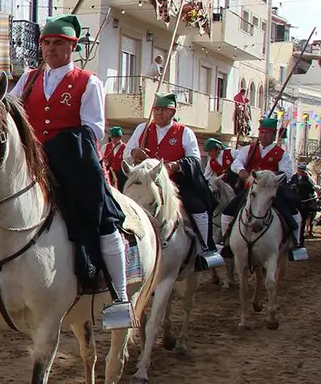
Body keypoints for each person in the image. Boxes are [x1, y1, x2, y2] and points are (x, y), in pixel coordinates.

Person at [7, 14, 132, 328]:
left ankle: (120, 297)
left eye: (58, 42)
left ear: (72, 46)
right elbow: (8, 112)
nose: (50, 48)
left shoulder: (88, 82)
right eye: (46, 42)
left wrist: (56, 147)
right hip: (32, 164)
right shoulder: (29, 79)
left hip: (73, 163)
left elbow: (93, 129)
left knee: (102, 218)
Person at [123, 93, 219, 260]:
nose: (158, 113)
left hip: (175, 184)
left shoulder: (184, 132)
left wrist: (176, 165)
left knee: (198, 208)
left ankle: (204, 248)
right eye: (156, 110)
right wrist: (134, 152)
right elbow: (126, 154)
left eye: (163, 110)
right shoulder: (142, 129)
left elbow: (194, 159)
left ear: (172, 112)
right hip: (147, 183)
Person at [220, 117, 307, 259]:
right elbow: (236, 163)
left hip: (273, 191)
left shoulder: (282, 154)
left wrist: (268, 177)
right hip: (251, 190)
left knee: (294, 214)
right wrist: (241, 171)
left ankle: (295, 244)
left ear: (273, 135)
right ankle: (227, 242)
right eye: (261, 132)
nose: (263, 135)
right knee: (227, 213)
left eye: (267, 133)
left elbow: (287, 172)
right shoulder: (248, 149)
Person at [103, 125, 127, 190]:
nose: (114, 139)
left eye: (116, 137)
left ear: (120, 137)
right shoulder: (106, 147)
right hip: (110, 173)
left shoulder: (126, 148)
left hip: (121, 174)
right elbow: (102, 159)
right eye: (112, 137)